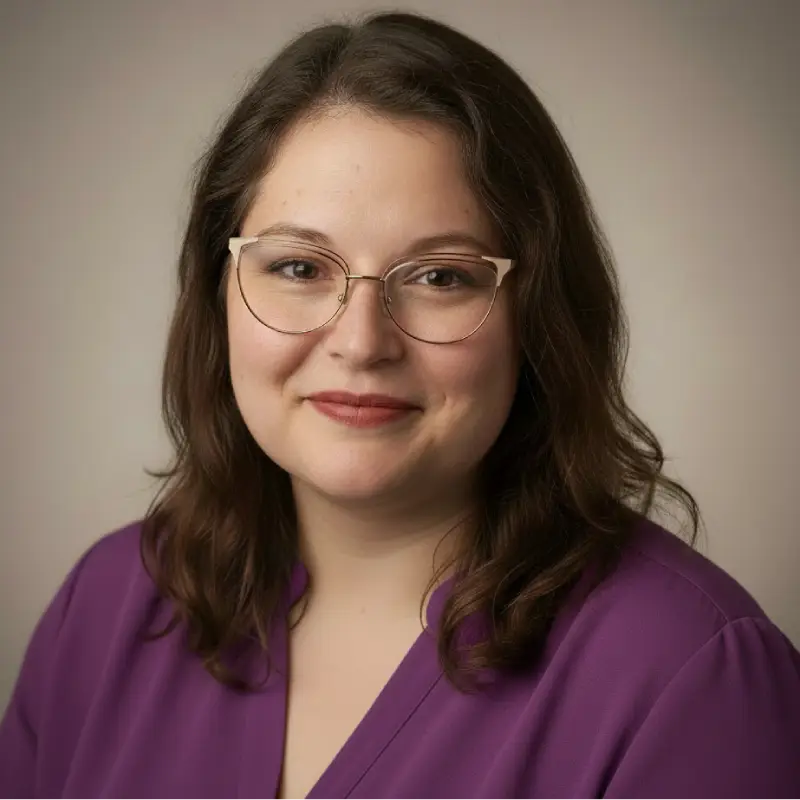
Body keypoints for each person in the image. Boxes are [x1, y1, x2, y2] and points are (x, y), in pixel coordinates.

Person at [1, 10, 799, 800]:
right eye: (299, 267)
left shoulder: (692, 674)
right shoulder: (107, 608)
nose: (360, 342)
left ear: (540, 317)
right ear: (220, 294)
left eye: (441, 276)